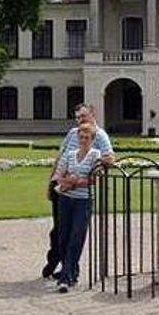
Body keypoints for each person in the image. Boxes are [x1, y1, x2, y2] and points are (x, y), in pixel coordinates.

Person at [43, 103, 114, 279]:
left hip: (80, 191)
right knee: (59, 230)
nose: (80, 120)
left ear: (92, 115)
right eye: (77, 117)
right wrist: (52, 183)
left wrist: (82, 177)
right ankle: (58, 261)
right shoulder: (72, 133)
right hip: (60, 186)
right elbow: (61, 156)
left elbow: (109, 158)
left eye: (83, 116)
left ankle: (67, 270)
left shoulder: (99, 136)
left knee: (74, 232)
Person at [52, 121, 103, 293]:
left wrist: (75, 182)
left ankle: (64, 278)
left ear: (92, 139)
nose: (83, 140)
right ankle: (72, 272)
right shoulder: (69, 154)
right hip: (65, 199)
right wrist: (70, 182)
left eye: (87, 137)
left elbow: (96, 179)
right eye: (81, 137)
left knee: (76, 238)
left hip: (83, 201)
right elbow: (58, 176)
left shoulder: (96, 155)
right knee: (64, 238)